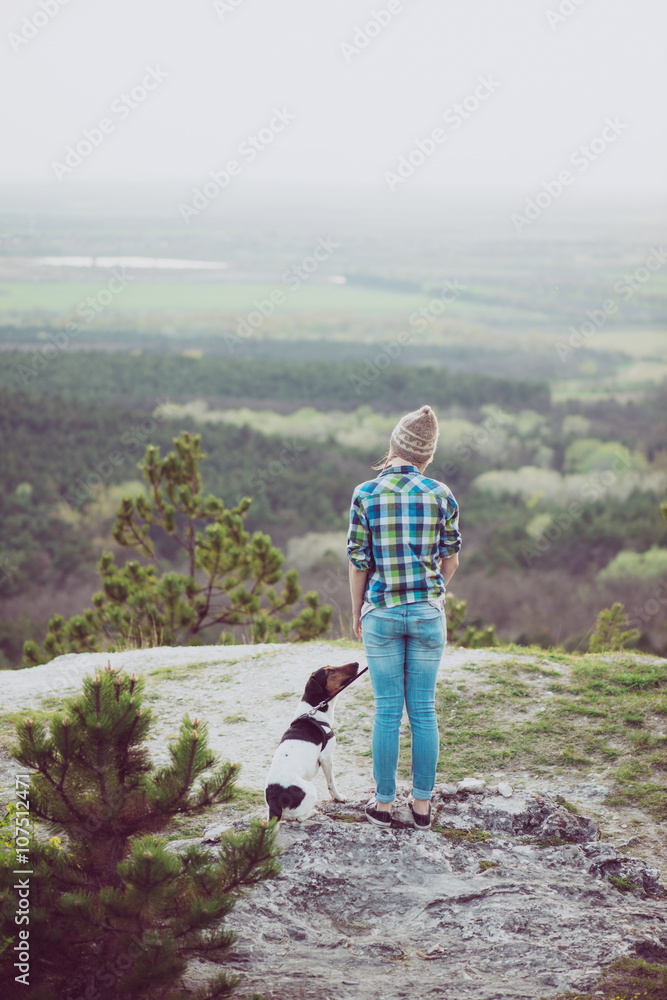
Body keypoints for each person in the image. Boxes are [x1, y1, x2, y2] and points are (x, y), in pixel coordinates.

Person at [347, 404, 461, 829]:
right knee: (424, 711)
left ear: (393, 446)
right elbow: (450, 560)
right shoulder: (440, 494)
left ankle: (381, 805)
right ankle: (422, 807)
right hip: (428, 612)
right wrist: (433, 591)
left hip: (383, 611)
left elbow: (359, 561)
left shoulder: (366, 494)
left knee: (387, 711)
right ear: (426, 456)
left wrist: (357, 610)